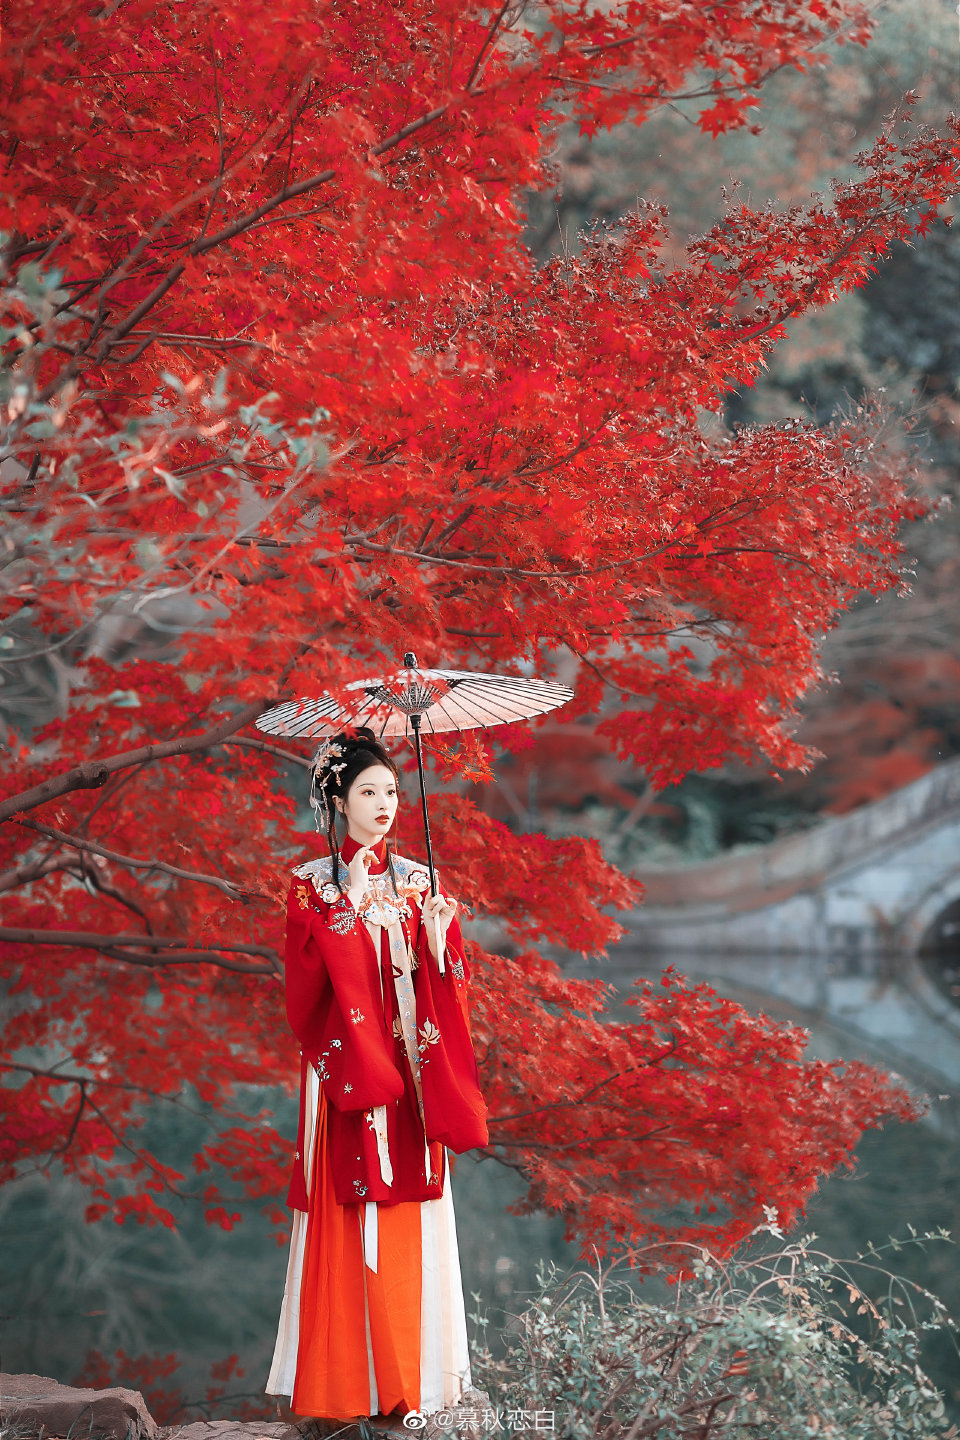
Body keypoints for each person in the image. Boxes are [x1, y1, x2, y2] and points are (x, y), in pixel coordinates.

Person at [266, 728, 489, 1423]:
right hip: (350, 1070)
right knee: (350, 1207)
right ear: (338, 801)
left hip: (410, 1072)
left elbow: (444, 982)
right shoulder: (311, 884)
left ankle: (417, 1380)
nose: (385, 803)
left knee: (411, 1210)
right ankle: (346, 1387)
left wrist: (438, 944)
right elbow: (306, 992)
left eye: (391, 790)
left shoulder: (421, 880)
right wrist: (348, 907)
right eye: (368, 791)